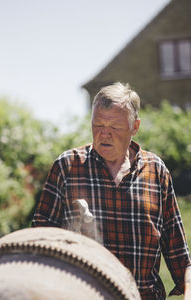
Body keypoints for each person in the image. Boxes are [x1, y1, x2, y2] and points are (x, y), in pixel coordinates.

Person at [32, 82, 191, 300]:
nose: (104, 134)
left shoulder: (156, 171)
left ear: (134, 127)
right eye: (98, 125)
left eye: (114, 127)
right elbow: (39, 245)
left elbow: (180, 257)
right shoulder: (67, 167)